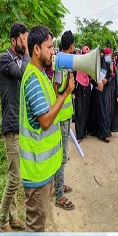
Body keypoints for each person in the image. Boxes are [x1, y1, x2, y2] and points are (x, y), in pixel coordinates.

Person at [19, 25, 73, 232]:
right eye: (49, 47)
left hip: (44, 171)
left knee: (39, 225)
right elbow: (45, 120)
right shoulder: (33, 78)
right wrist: (65, 93)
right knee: (35, 228)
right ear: (36, 49)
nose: (53, 51)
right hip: (37, 172)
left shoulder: (40, 74)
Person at [0, 22, 29, 232]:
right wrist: (28, 52)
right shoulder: (5, 58)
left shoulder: (15, 59)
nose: (26, 43)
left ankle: (13, 216)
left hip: (20, 124)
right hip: (10, 124)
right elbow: (23, 73)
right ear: (14, 40)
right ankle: (2, 222)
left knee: (15, 174)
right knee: (15, 177)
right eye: (24, 39)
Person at [54, 30, 75, 212]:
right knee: (62, 156)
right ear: (71, 46)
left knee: (63, 155)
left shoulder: (62, 61)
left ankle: (58, 186)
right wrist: (68, 90)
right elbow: (56, 91)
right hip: (60, 117)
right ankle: (59, 194)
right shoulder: (61, 64)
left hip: (64, 115)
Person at [73, 46, 92, 142]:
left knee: (86, 110)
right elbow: (74, 74)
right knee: (79, 111)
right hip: (79, 87)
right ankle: (79, 135)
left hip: (87, 87)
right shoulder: (78, 62)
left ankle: (84, 131)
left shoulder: (89, 63)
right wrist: (73, 92)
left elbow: (91, 75)